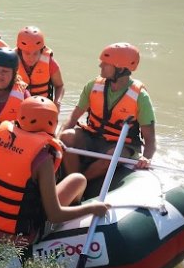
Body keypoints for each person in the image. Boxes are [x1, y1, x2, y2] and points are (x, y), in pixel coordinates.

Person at [0, 96, 111, 244]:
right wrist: (92, 209)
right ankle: (71, 226)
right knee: (78, 180)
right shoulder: (43, 158)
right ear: (52, 123)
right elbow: (55, 215)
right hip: (23, 236)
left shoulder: (3, 136)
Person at [59, 43, 156, 182]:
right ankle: (70, 179)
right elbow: (73, 117)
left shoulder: (141, 97)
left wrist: (146, 158)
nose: (100, 66)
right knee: (66, 137)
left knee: (112, 155)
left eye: (105, 63)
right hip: (92, 135)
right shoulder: (93, 86)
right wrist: (56, 140)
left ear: (120, 68)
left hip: (121, 144)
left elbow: (150, 138)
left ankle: (80, 183)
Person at [15, 26, 65, 108]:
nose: (31, 57)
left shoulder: (50, 62)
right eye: (27, 53)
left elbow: (59, 86)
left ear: (41, 51)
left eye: (35, 53)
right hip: (18, 108)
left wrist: (57, 102)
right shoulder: (11, 61)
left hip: (43, 107)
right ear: (20, 51)